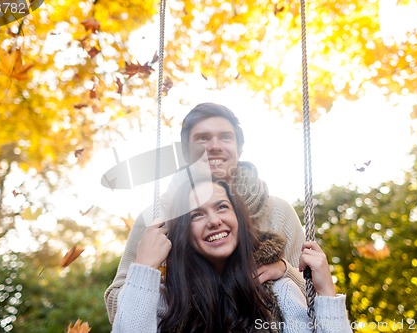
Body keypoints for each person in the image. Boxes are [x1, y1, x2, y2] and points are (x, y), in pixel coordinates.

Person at [105, 103, 307, 323]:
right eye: (202, 138)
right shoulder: (158, 217)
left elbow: (313, 300)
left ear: (239, 149)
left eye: (225, 137)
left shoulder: (278, 212)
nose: (214, 146)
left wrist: (285, 271)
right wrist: (148, 273)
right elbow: (117, 308)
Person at [112, 179, 352, 332]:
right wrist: (144, 267)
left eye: (222, 207)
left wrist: (327, 294)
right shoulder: (167, 299)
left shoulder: (278, 292)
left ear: (239, 218)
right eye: (197, 215)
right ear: (184, 232)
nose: (214, 221)